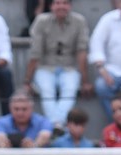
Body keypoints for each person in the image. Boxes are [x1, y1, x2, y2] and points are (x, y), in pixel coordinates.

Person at [24, 0, 91, 130]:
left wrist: (85, 81)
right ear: (51, 6)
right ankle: (58, 124)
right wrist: (27, 81)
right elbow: (35, 53)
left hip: (69, 67)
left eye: (65, 3)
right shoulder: (41, 21)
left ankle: (54, 124)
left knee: (70, 89)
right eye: (58, 3)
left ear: (70, 6)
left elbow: (81, 52)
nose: (61, 6)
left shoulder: (79, 21)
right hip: (45, 67)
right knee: (47, 90)